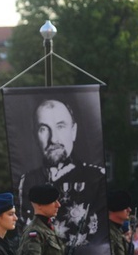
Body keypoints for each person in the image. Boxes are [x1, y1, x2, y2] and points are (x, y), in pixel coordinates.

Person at [17, 99, 106, 245]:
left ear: (73, 131)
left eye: (60, 126)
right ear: (35, 136)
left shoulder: (96, 178)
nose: (53, 139)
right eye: (43, 129)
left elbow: (101, 237)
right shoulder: (27, 181)